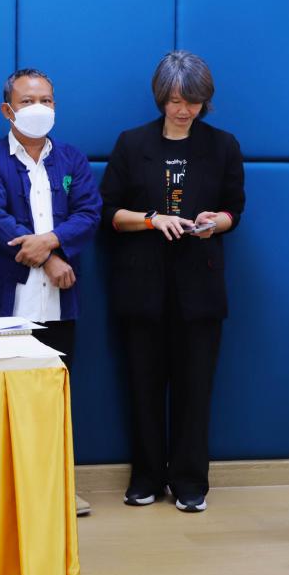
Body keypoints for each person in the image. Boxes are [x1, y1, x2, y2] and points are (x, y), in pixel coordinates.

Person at [100, 51, 245, 513]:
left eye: (193, 101)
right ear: (161, 97)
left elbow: (234, 210)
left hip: (199, 289)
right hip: (141, 287)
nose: (184, 110)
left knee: (195, 390)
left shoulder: (223, 145)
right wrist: (151, 219)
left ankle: (189, 481)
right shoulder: (132, 143)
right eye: (176, 100)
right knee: (142, 388)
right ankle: (146, 477)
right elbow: (109, 213)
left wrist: (214, 222)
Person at [0, 68, 102, 516]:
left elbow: (89, 212)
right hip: (7, 304)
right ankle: (2, 494)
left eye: (46, 100)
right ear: (8, 110)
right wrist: (49, 257)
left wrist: (54, 242)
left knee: (53, 397)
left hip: (59, 302)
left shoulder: (72, 160)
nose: (38, 108)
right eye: (27, 101)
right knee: (2, 398)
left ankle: (57, 488)